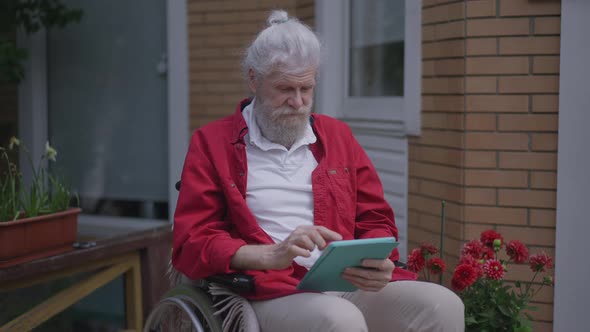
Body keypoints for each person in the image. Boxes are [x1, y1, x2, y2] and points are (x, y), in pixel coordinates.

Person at [173, 9, 464, 332]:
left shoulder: (337, 136)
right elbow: (192, 241)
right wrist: (268, 255)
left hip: (345, 283)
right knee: (340, 320)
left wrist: (380, 260)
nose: (298, 102)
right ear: (254, 79)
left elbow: (374, 218)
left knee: (443, 306)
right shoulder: (212, 143)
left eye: (307, 89)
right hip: (269, 289)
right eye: (285, 89)